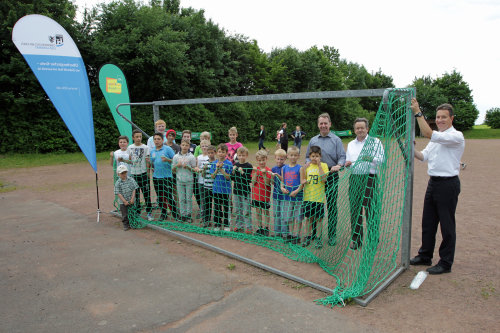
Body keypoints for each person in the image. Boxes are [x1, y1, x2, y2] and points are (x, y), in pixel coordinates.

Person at [409, 98, 465, 275]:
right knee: (428, 222)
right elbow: (423, 156)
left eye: (444, 117)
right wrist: (410, 149)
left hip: (448, 184)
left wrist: (418, 112)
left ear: (451, 119)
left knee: (447, 225)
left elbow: (428, 133)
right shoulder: (436, 138)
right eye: (438, 117)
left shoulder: (455, 136)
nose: (440, 120)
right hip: (433, 182)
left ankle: (446, 262)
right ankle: (425, 255)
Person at [305, 113, 345, 246]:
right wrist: (309, 165)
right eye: (321, 123)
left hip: (331, 175)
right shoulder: (313, 140)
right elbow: (306, 157)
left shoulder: (336, 140)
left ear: (330, 124)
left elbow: (342, 157)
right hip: (316, 177)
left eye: (325, 123)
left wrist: (338, 165)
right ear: (318, 125)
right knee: (315, 205)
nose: (323, 126)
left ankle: (332, 235)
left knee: (332, 205)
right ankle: (315, 234)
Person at [345, 118, 385, 250]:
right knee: (355, 211)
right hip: (355, 178)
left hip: (370, 179)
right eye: (357, 128)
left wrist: (370, 158)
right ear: (354, 130)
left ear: (367, 129)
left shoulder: (375, 142)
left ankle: (373, 239)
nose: (360, 130)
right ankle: (357, 239)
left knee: (371, 210)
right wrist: (347, 165)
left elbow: (382, 160)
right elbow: (348, 163)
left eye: (362, 127)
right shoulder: (351, 144)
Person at [300, 146, 329, 248]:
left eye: (317, 156)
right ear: (309, 156)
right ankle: (308, 236)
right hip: (308, 197)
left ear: (320, 156)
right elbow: (302, 180)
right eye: (313, 156)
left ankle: (318, 238)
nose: (314, 158)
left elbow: (324, 179)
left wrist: (320, 166)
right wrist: (304, 170)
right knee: (309, 218)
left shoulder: (324, 165)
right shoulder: (307, 167)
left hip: (319, 198)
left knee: (319, 219)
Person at [126, 129, 153, 221]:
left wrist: (148, 172)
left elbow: (147, 160)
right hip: (134, 175)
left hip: (144, 174)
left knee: (147, 194)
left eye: (140, 136)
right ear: (133, 138)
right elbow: (129, 159)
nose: (139, 138)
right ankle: (137, 212)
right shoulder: (129, 148)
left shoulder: (146, 148)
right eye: (136, 137)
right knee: (136, 195)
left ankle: (149, 212)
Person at [280, 146, 304, 244]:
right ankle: (290, 234)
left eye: (295, 155)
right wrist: (282, 188)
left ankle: (297, 235)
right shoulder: (284, 168)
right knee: (289, 217)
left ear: (298, 156)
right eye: (291, 155)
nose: (293, 157)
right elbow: (282, 181)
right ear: (287, 156)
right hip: (287, 197)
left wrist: (296, 191)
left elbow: (302, 183)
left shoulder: (300, 168)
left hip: (298, 197)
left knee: (298, 217)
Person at [150, 132, 176, 221]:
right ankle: (163, 213)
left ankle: (175, 214)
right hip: (156, 177)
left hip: (167, 177)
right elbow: (151, 162)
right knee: (160, 197)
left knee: (169, 196)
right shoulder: (152, 150)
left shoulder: (167, 149)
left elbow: (175, 160)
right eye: (155, 139)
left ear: (162, 140)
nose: (156, 141)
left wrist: (167, 160)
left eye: (158, 139)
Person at [172, 139, 196, 222]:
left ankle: (189, 215)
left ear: (189, 146)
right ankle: (183, 214)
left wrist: (188, 167)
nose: (185, 147)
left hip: (189, 180)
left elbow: (194, 169)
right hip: (179, 180)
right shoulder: (176, 157)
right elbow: (172, 169)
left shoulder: (191, 157)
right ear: (180, 146)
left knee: (188, 198)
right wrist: (177, 166)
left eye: (186, 145)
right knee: (181, 198)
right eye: (183, 145)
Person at [210, 144, 233, 231]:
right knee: (217, 207)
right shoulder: (214, 163)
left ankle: (227, 224)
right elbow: (212, 176)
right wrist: (217, 169)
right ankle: (218, 224)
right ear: (217, 153)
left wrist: (222, 169)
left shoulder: (228, 163)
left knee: (226, 208)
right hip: (216, 190)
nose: (221, 154)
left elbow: (228, 177)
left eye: (223, 152)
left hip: (226, 190)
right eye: (219, 152)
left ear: (226, 153)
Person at [231, 146, 253, 233]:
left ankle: (248, 227)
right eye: (239, 155)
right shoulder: (235, 165)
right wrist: (233, 171)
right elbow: (233, 178)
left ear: (246, 155)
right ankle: (239, 225)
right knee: (238, 210)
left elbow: (248, 180)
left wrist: (242, 172)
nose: (241, 157)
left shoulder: (249, 166)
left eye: (243, 155)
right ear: (237, 156)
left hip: (245, 192)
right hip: (236, 191)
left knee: (246, 210)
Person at [251, 149, 273, 236]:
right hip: (256, 195)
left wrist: (264, 174)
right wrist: (256, 172)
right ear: (257, 160)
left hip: (265, 196)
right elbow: (253, 182)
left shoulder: (268, 170)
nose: (261, 162)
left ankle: (266, 227)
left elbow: (267, 183)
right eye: (259, 160)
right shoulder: (255, 170)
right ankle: (260, 227)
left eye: (263, 160)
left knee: (266, 211)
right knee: (258, 211)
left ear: (266, 159)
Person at [114, 164, 138, 230]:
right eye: (122, 173)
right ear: (118, 174)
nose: (124, 174)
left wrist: (132, 198)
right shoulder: (118, 183)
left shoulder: (131, 179)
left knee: (133, 212)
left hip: (131, 200)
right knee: (125, 214)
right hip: (123, 202)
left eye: (125, 173)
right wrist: (124, 201)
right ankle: (126, 225)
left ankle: (133, 223)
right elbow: (118, 193)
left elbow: (134, 189)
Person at [194, 139, 211, 222]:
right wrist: (197, 169)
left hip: (208, 181)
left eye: (206, 146)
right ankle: (203, 214)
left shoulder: (210, 157)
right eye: (203, 146)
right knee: (202, 198)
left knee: (208, 199)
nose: (204, 148)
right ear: (200, 147)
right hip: (200, 181)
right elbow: (196, 167)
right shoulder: (199, 157)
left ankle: (208, 216)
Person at [271, 149, 287, 237]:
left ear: (285, 159)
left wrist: (277, 175)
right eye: (278, 159)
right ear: (275, 158)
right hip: (275, 195)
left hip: (284, 196)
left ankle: (284, 233)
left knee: (283, 214)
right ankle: (277, 232)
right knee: (276, 214)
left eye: (281, 159)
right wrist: (271, 177)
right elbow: (273, 182)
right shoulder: (273, 168)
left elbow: (286, 181)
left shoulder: (286, 168)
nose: (279, 161)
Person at [201, 145, 217, 227]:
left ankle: (217, 221)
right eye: (209, 153)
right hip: (206, 187)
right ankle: (206, 221)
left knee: (217, 205)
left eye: (212, 153)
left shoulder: (217, 163)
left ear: (215, 153)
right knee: (207, 204)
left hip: (215, 187)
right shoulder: (205, 163)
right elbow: (203, 175)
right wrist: (203, 169)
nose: (210, 154)